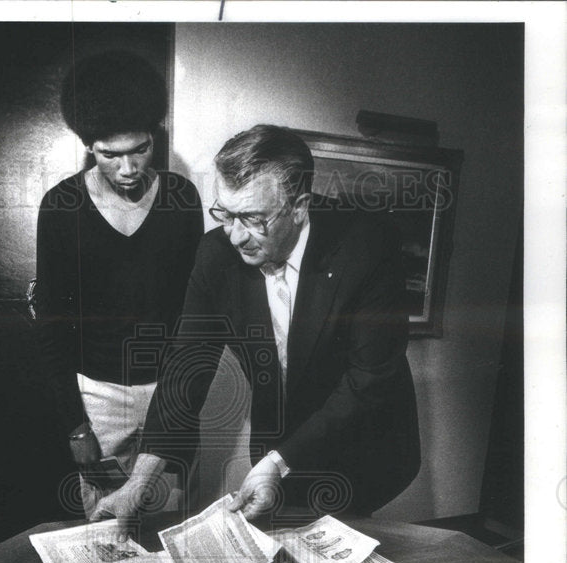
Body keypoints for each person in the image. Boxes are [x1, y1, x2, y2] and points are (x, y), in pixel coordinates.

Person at [93, 124, 420, 529]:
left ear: (299, 207)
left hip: (364, 444)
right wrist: (140, 481)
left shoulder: (367, 245)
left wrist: (279, 462)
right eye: (225, 214)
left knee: (349, 554)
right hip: (277, 442)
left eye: (251, 218)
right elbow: (186, 366)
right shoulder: (216, 255)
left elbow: (368, 381)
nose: (234, 236)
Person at [36, 50, 203, 514]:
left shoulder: (181, 198)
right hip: (97, 396)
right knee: (106, 530)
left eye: (141, 150)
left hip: (168, 390)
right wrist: (76, 426)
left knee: (166, 522)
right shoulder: (61, 207)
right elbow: (52, 326)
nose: (128, 169)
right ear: (89, 146)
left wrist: (180, 395)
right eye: (111, 155)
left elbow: (195, 312)